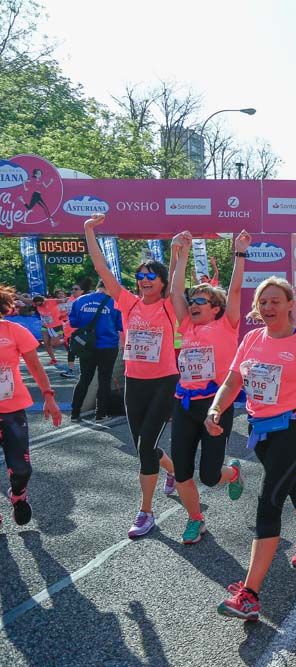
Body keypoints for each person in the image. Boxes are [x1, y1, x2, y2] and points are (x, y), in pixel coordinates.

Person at [206, 277, 296, 621]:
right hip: (261, 430)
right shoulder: (252, 339)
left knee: (269, 501)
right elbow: (232, 381)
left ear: (290, 305)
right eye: (263, 302)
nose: (268, 307)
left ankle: (250, 596)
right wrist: (215, 409)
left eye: (274, 301)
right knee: (294, 484)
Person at [84, 213, 179, 539]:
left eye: (152, 275)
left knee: (144, 448)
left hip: (164, 381)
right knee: (145, 445)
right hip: (134, 383)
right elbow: (102, 270)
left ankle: (146, 511)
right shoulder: (127, 303)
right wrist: (88, 231)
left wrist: (178, 252)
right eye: (141, 275)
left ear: (163, 282)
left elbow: (178, 281)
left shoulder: (168, 306)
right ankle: (175, 473)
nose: (145, 279)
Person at [167, 230, 250, 544]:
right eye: (193, 300)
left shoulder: (226, 324)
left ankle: (232, 473)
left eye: (200, 300)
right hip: (184, 402)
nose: (192, 304)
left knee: (210, 476)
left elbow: (237, 289)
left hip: (216, 404)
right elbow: (176, 292)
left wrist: (239, 253)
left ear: (216, 307)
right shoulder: (187, 324)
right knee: (182, 473)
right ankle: (195, 519)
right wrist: (181, 252)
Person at [1, 285, 63, 527]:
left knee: (21, 469)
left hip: (12, 409)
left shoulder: (13, 331)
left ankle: (18, 495)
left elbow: (36, 367)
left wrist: (49, 396)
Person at [68, 280, 123, 422]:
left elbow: (73, 322)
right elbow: (120, 325)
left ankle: (75, 412)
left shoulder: (80, 300)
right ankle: (100, 414)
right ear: (109, 288)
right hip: (108, 345)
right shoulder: (114, 303)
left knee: (84, 378)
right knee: (104, 380)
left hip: (86, 346)